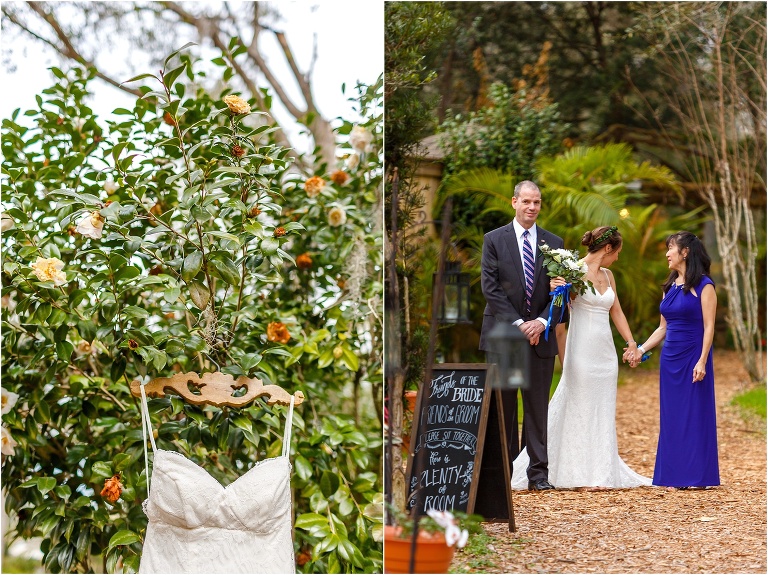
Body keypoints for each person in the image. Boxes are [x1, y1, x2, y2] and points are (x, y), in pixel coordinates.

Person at [509, 225, 651, 490]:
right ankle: (573, 470)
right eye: (617, 252)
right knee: (579, 405)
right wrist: (564, 360)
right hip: (581, 350)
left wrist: (632, 343)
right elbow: (559, 319)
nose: (617, 258)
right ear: (608, 248)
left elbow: (616, 311)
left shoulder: (609, 275)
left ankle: (600, 469)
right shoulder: (571, 271)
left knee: (602, 407)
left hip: (605, 352)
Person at [479, 180, 566, 491]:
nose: (532, 207)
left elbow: (561, 290)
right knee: (503, 407)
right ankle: (504, 475)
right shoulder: (493, 240)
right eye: (526, 201)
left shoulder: (555, 242)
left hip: (540, 338)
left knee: (536, 406)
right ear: (513, 202)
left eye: (537, 202)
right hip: (505, 337)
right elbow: (490, 289)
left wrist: (542, 322)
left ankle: (538, 476)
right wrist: (520, 323)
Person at [630, 231, 719, 489]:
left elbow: (709, 326)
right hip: (670, 360)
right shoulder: (669, 287)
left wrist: (702, 360)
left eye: (671, 248)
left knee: (695, 414)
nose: (667, 253)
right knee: (673, 417)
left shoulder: (705, 285)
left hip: (693, 356)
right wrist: (640, 350)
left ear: (685, 252)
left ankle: (698, 476)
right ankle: (675, 475)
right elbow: (662, 328)